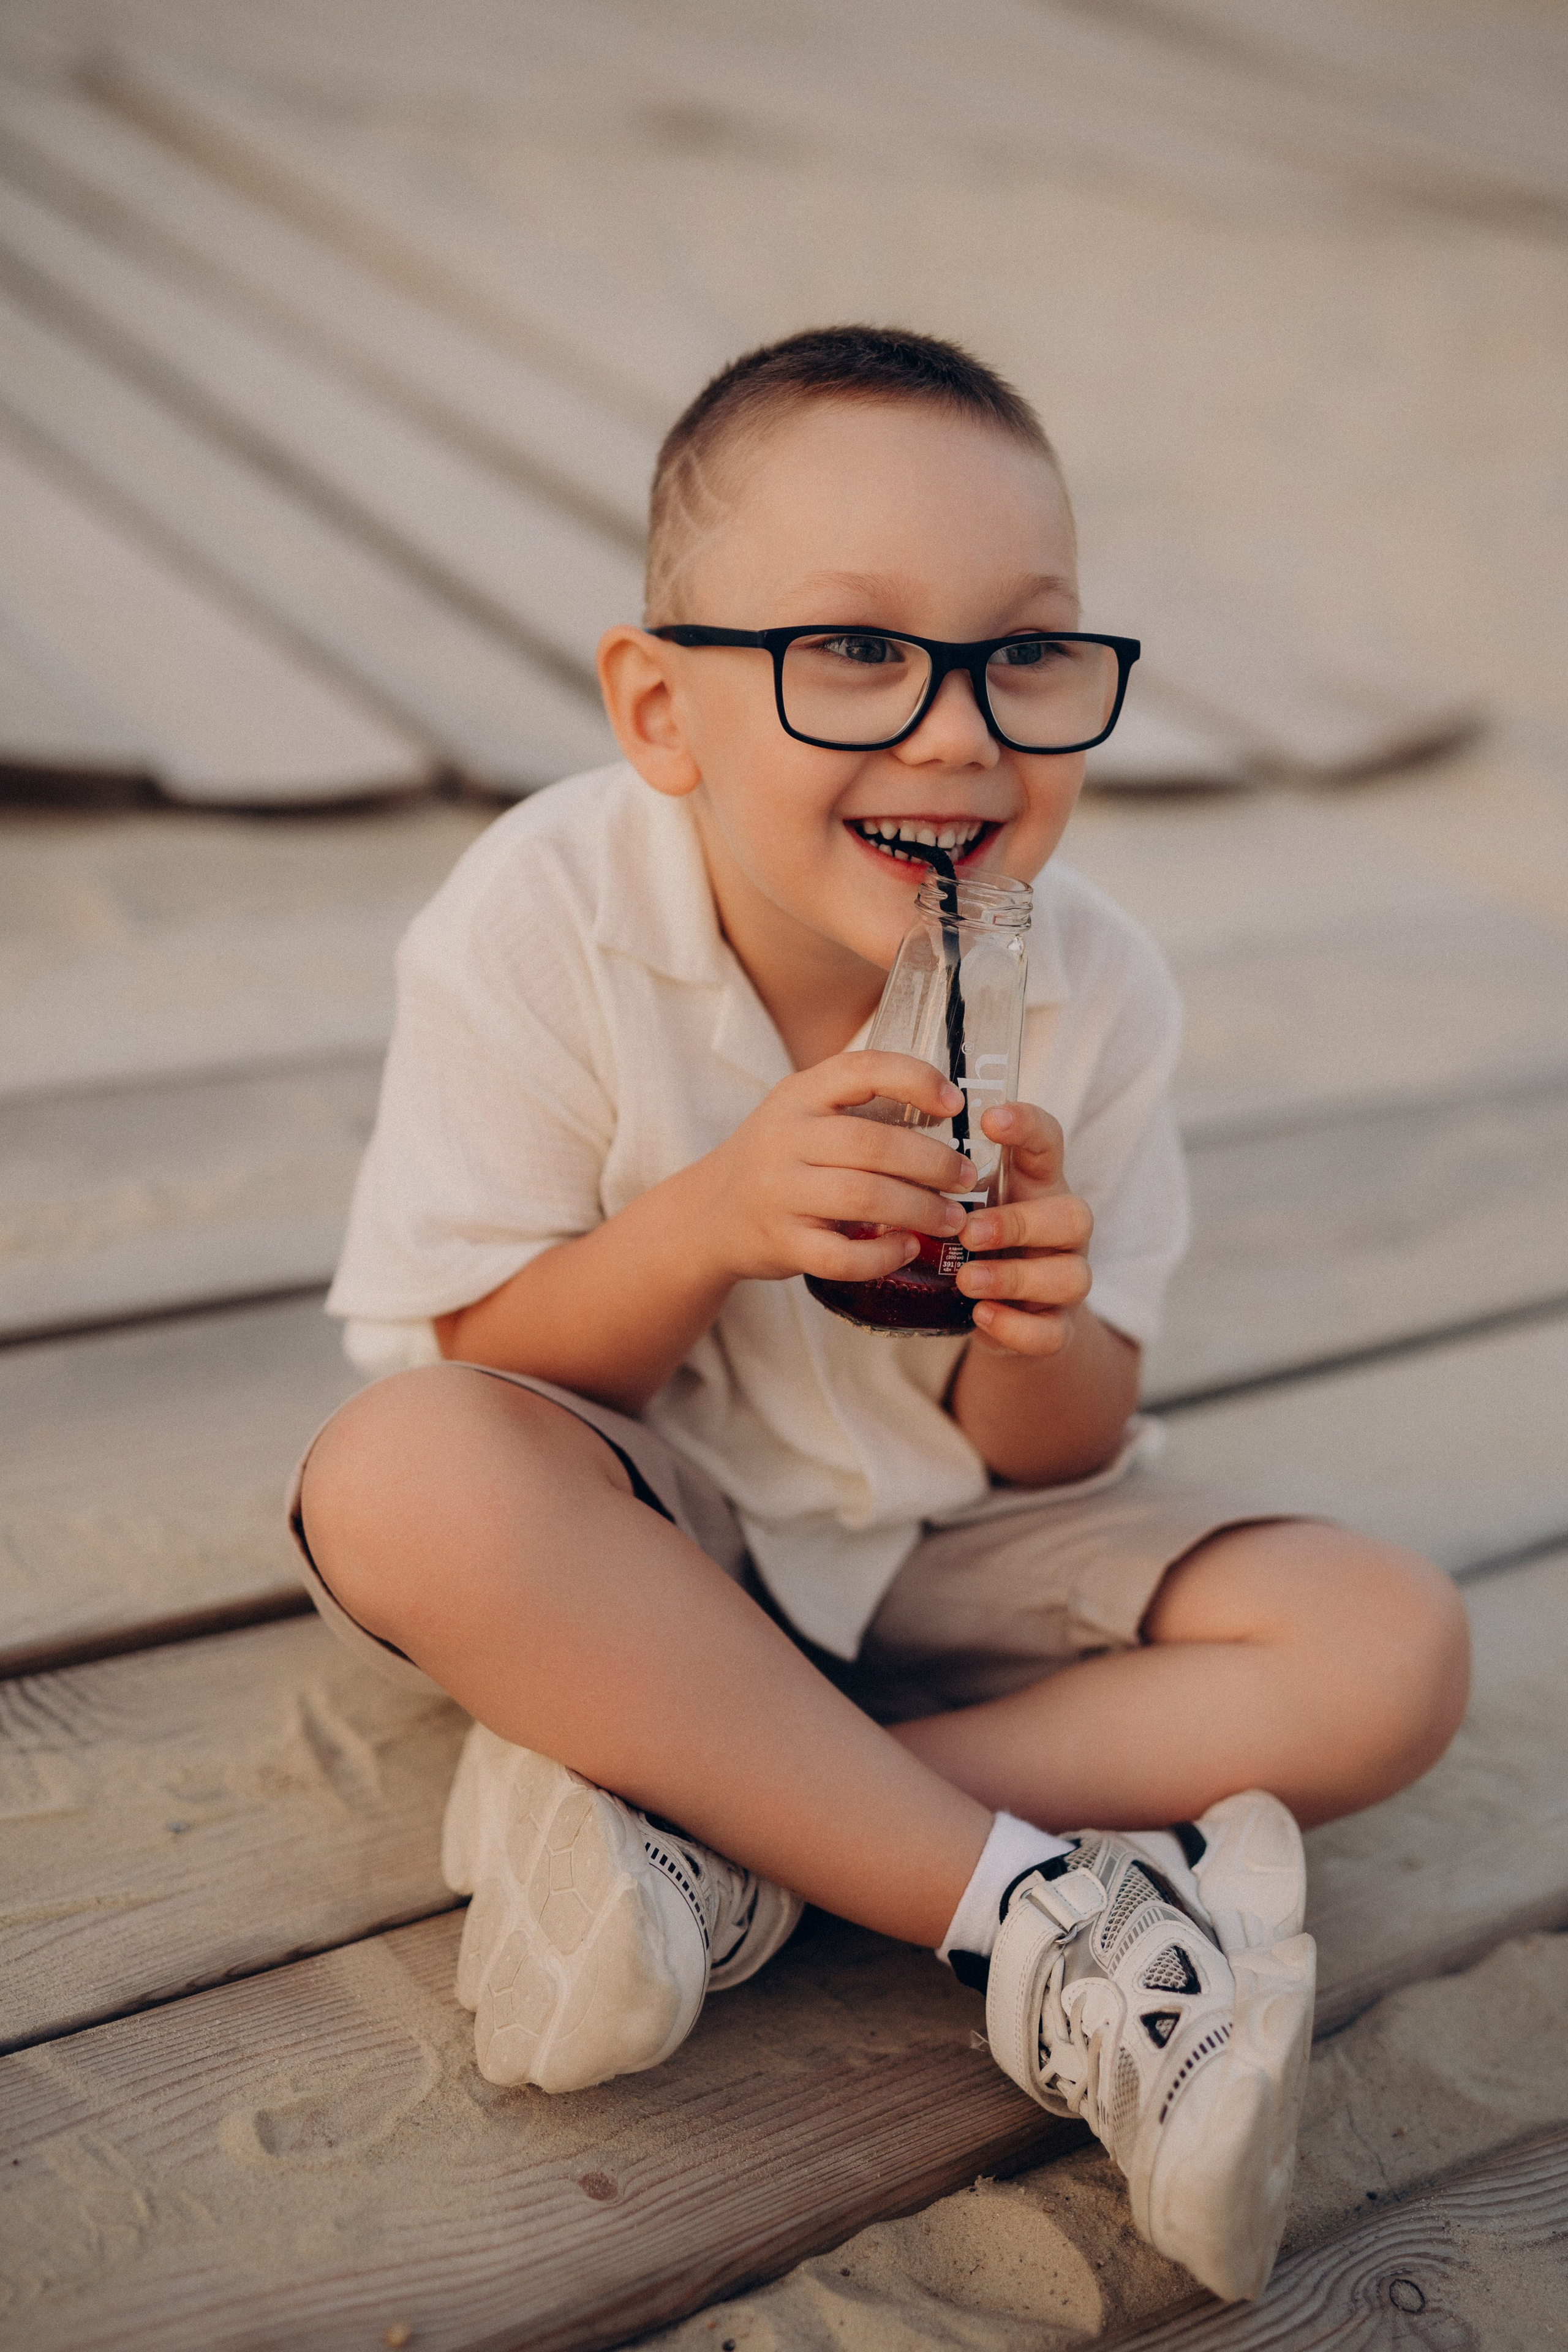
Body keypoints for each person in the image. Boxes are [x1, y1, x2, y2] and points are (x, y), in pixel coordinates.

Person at [290, 326, 1469, 2302]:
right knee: (406, 1477)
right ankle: (1036, 1919)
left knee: (1391, 1650)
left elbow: (1065, 1452)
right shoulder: (538, 920)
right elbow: (481, 1360)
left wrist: (1035, 1325)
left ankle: (722, 1817)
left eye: (1024, 653)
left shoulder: (1093, 986)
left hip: (946, 1538)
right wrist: (710, 1220)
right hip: (644, 1522)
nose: (956, 730)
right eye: (850, 649)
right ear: (662, 709)